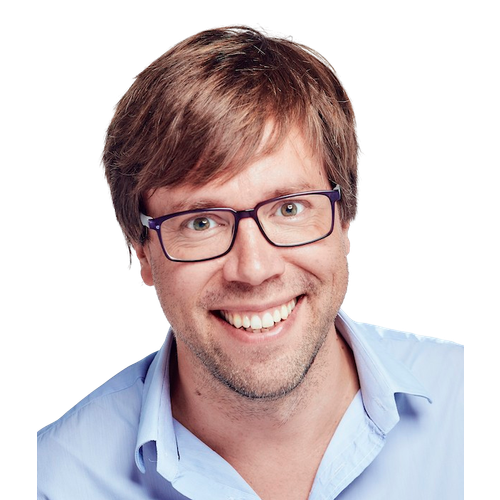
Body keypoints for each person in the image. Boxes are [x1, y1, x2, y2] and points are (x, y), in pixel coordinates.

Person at [37, 26, 463, 499]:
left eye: (289, 209)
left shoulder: (472, 405)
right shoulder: (51, 482)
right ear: (144, 252)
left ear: (344, 220)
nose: (254, 269)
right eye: (201, 222)